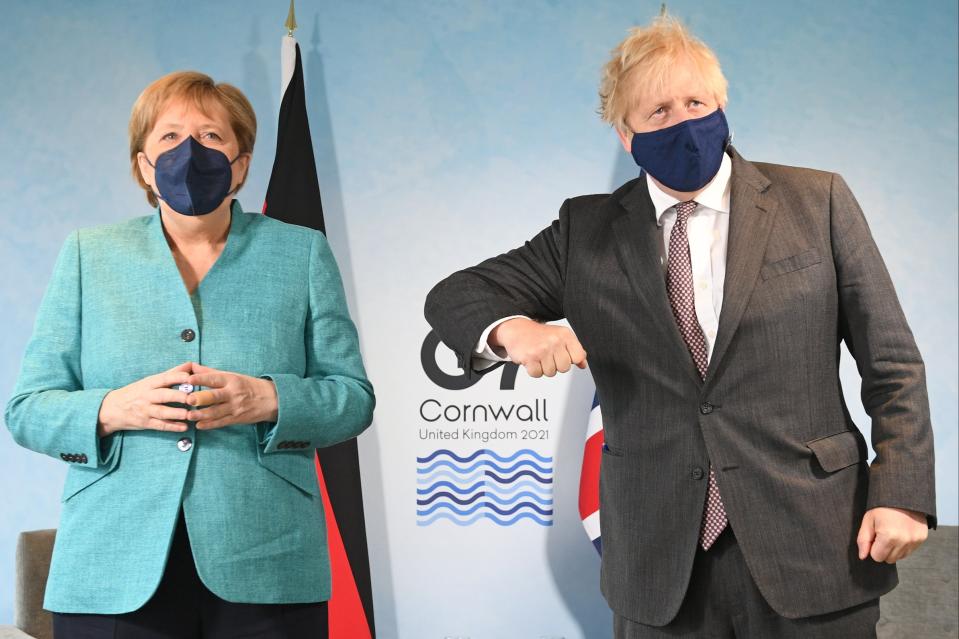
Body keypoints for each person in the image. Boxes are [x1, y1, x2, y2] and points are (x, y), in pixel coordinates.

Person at [424, 15, 936, 639]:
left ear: (722, 103)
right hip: (660, 566)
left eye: (696, 102)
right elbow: (455, 295)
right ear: (625, 132)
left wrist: (902, 492)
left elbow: (893, 365)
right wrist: (512, 331)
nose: (684, 122)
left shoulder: (818, 200)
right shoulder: (584, 232)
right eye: (659, 111)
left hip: (814, 545)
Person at [5, 71, 375, 638]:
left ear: (242, 164)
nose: (190, 152)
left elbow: (351, 400)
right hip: (112, 563)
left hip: (267, 563)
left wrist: (269, 398)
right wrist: (112, 408)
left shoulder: (300, 252)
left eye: (210, 136)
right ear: (141, 166)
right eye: (170, 137)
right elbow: (27, 409)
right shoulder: (88, 255)